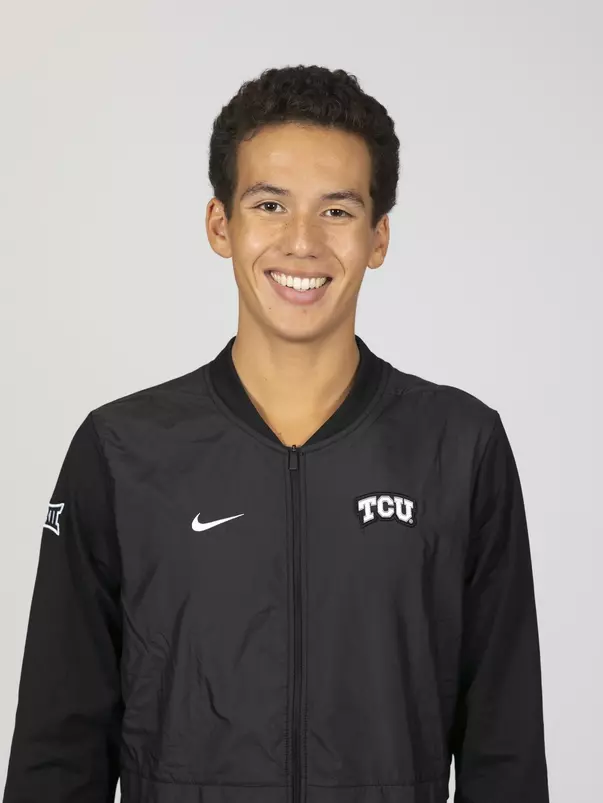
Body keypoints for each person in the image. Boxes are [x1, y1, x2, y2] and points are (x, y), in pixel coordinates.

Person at [2, 64, 550, 803]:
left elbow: (505, 753)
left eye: (336, 211)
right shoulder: (122, 450)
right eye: (269, 204)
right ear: (220, 225)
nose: (301, 243)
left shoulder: (458, 447)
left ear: (378, 236)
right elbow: (56, 751)